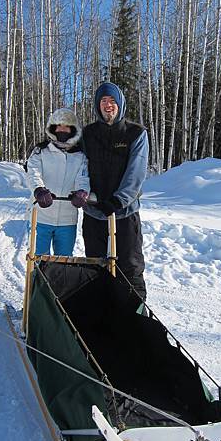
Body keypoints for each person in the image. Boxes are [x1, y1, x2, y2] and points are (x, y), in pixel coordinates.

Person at [82, 81, 148, 300]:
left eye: (112, 101)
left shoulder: (135, 133)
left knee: (130, 267)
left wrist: (118, 201)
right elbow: (74, 163)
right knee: (95, 267)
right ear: (97, 106)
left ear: (120, 104)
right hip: (94, 212)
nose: (108, 105)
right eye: (103, 101)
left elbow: (135, 173)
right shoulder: (87, 134)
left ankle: (136, 317)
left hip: (124, 213)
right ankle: (101, 316)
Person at [26, 108, 89, 256]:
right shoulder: (40, 151)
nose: (62, 129)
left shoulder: (80, 156)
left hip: (68, 219)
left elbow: (83, 177)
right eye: (59, 126)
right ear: (53, 128)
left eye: (66, 126)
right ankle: (37, 280)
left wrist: (82, 192)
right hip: (41, 216)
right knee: (39, 261)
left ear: (72, 130)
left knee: (64, 262)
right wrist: (39, 190)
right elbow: (33, 172)